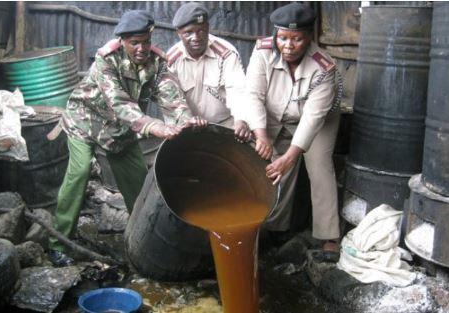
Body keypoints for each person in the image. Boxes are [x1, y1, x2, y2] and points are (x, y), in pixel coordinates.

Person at [48, 10, 206, 266]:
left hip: (120, 132)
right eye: (135, 43)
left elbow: (172, 98)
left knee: (140, 186)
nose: (142, 48)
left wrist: (185, 122)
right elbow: (119, 104)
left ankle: (143, 238)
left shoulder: (157, 62)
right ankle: (58, 244)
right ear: (122, 42)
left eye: (145, 41)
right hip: (85, 123)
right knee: (79, 174)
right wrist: (152, 125)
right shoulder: (106, 61)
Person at [245, 3, 343, 252]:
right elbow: (253, 95)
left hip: (318, 121)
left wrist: (292, 155)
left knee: (318, 164)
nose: (288, 46)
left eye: (297, 39)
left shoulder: (324, 67)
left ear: (309, 37)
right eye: (283, 38)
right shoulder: (262, 52)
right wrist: (261, 134)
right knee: (272, 165)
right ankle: (276, 228)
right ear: (276, 35)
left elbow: (312, 117)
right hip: (275, 115)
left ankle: (328, 235)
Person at [166, 2, 253, 143]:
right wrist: (187, 120)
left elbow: (237, 91)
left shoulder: (226, 54)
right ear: (179, 33)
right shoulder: (171, 60)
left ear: (207, 28)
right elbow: (171, 100)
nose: (196, 37)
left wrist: (241, 119)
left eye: (200, 30)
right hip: (188, 124)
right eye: (188, 33)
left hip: (225, 124)